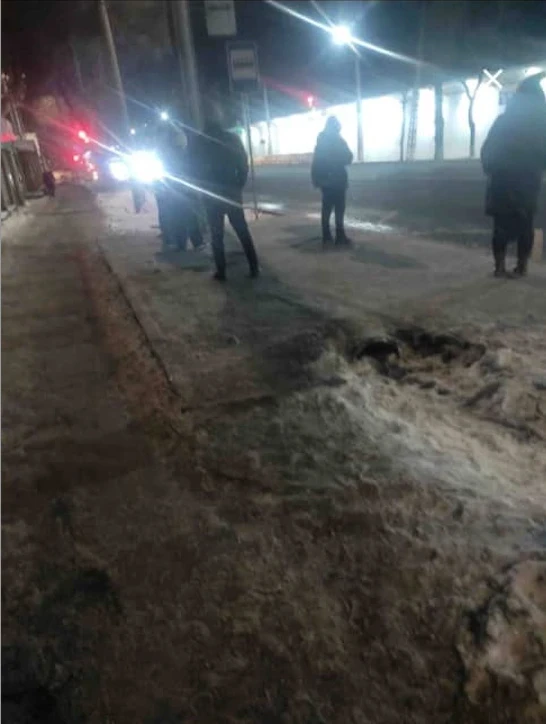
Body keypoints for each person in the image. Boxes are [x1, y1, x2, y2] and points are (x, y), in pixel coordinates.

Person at [481, 72, 546, 277]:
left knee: (501, 224)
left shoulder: (504, 121)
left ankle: (499, 267)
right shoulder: (541, 124)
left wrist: (490, 168)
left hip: (503, 179)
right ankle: (522, 266)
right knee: (526, 223)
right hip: (529, 180)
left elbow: (489, 148)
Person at [194, 116, 259, 281]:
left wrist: (201, 190)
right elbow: (243, 163)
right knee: (242, 230)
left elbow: (194, 169)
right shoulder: (232, 139)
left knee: (216, 235)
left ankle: (221, 271)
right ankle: (254, 266)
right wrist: (239, 184)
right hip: (231, 191)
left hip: (211, 195)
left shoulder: (200, 142)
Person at [156, 125, 204, 252]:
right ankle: (197, 242)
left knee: (178, 217)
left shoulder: (168, 156)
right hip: (186, 190)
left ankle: (181, 243)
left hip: (175, 191)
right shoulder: (187, 155)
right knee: (190, 217)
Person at [311, 116, 353, 245]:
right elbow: (349, 157)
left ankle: (326, 236)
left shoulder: (321, 141)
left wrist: (316, 180)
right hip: (338, 180)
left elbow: (316, 162)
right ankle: (340, 236)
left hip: (326, 182)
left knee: (327, 209)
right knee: (339, 209)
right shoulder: (339, 141)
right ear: (336, 127)